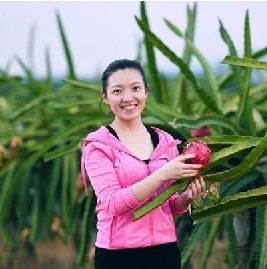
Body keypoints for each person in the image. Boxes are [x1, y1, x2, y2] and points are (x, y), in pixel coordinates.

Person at [80, 59, 206, 269]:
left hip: (164, 252)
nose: (128, 98)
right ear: (105, 96)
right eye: (118, 91)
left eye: (135, 88)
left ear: (146, 91)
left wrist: (185, 199)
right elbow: (113, 203)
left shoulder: (165, 141)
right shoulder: (98, 146)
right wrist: (162, 174)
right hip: (118, 256)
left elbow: (167, 202)